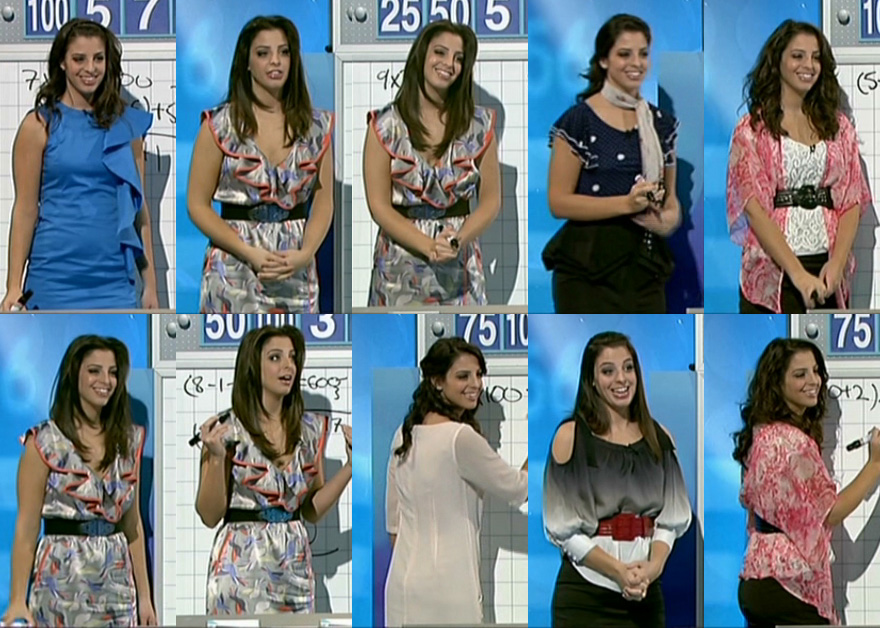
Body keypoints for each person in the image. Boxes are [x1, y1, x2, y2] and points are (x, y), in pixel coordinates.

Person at [2, 19, 158, 311]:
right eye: (79, 59)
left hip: (113, 283)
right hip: (51, 279)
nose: (90, 68)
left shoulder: (127, 128)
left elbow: (140, 211)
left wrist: (151, 285)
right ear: (62, 62)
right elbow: (25, 209)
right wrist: (13, 285)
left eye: (98, 58)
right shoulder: (38, 126)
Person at [195, 325, 352, 614]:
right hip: (240, 568)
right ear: (252, 366)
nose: (288, 366)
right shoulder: (226, 430)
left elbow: (311, 511)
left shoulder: (310, 429)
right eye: (275, 357)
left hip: (294, 567)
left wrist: (351, 467)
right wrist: (216, 458)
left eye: (292, 357)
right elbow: (209, 515)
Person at [1, 336, 156, 626]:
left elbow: (132, 524)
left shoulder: (128, 440)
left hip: (117, 585)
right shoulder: (43, 442)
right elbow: (26, 528)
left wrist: (145, 599)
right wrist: (17, 599)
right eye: (94, 371)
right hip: (60, 581)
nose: (105, 381)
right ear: (74, 375)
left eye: (112, 372)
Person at [543, 332, 691, 627]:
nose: (621, 379)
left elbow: (671, 520)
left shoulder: (660, 437)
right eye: (608, 371)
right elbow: (562, 528)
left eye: (628, 368)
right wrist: (617, 572)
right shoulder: (570, 437)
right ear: (592, 380)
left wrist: (652, 569)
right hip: (585, 596)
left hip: (645, 594)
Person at [188, 16, 334, 313]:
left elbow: (324, 200)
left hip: (294, 265)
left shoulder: (317, 126)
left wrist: (306, 253)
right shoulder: (219, 125)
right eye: (263, 53)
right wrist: (247, 252)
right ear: (247, 62)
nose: (275, 61)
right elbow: (197, 205)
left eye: (284, 52)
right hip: (234, 266)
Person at [733, 338, 880, 626]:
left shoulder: (761, 433)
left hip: (756, 580)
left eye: (816, 371)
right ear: (777, 383)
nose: (813, 381)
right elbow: (831, 511)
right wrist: (875, 464)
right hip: (790, 585)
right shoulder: (795, 444)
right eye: (800, 374)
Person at [727, 20, 871, 313]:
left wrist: (837, 264)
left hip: (828, 269)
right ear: (777, 60)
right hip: (773, 270)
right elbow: (753, 207)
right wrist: (798, 275)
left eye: (816, 57)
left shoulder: (839, 127)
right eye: (798, 56)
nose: (809, 65)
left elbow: (851, 199)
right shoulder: (752, 129)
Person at [384, 338, 527, 626]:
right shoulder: (460, 438)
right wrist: (540, 448)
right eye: (463, 376)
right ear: (437, 381)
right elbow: (518, 488)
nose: (475, 384)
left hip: (402, 586)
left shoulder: (403, 433)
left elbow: (394, 527)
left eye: (479, 374)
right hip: (448, 591)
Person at [543, 14, 680, 313]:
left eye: (643, 54)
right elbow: (558, 202)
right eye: (624, 54)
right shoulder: (579, 121)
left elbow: (670, 199)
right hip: (586, 271)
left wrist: (669, 220)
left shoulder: (662, 124)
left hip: (645, 268)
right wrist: (626, 204)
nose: (636, 63)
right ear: (604, 60)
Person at [364, 20, 501, 307]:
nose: (449, 64)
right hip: (399, 267)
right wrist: (428, 246)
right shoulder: (385, 125)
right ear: (421, 55)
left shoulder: (480, 125)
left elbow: (491, 201)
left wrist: (456, 241)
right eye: (440, 52)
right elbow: (378, 206)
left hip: (459, 263)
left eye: (459, 58)